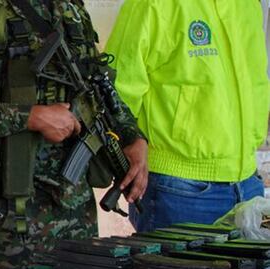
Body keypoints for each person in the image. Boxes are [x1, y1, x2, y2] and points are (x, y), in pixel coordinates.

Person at [0, 0, 148, 269]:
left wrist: (133, 137)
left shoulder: (70, 8)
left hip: (77, 218)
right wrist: (31, 117)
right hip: (11, 224)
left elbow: (99, 89)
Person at [105, 0, 270, 231]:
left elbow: (256, 82)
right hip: (178, 189)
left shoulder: (247, 4)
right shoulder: (152, 4)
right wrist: (128, 144)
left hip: (248, 183)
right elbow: (113, 91)